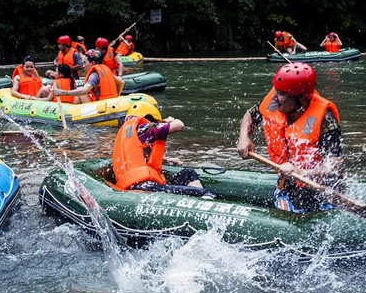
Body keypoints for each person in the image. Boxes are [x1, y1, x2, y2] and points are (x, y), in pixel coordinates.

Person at [236, 63, 344, 214]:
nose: (275, 97)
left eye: (282, 93)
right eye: (277, 91)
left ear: (301, 98)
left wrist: (301, 172)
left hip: (319, 189)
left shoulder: (325, 120)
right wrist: (244, 138)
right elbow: (250, 115)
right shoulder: (274, 102)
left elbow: (335, 166)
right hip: (287, 183)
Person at [111, 101, 216, 198]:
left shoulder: (130, 133)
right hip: (144, 188)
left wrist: (166, 160)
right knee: (206, 193)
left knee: (188, 173)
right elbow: (179, 125)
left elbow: (139, 157)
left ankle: (190, 203)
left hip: (140, 185)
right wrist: (170, 121)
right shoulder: (146, 128)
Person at [53, 50, 124, 104]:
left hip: (100, 106)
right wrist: (117, 95)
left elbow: (84, 90)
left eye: (85, 62)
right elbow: (121, 83)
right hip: (112, 103)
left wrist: (64, 92)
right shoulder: (107, 71)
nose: (83, 66)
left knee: (81, 91)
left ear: (93, 63)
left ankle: (72, 112)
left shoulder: (94, 75)